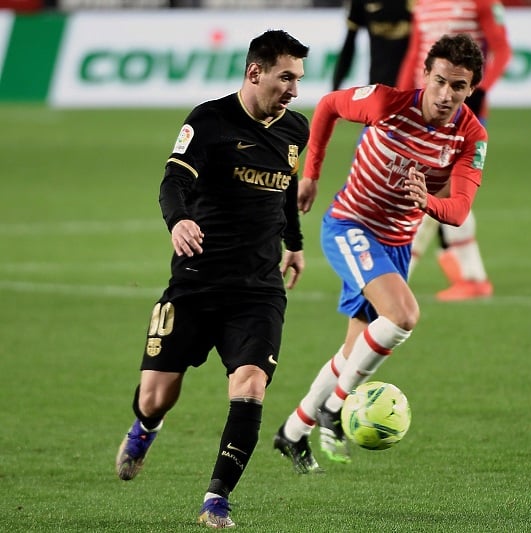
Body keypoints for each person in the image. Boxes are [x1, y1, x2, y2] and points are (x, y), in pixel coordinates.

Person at [114, 30, 310, 528]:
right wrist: (178, 219)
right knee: (156, 395)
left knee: (250, 385)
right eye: (285, 77)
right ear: (255, 72)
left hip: (259, 290)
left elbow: (285, 189)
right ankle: (145, 426)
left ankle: (215, 500)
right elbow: (173, 180)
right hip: (197, 282)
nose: (293, 89)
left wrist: (295, 242)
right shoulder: (210, 120)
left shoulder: (296, 130)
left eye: (299, 80)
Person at [272, 33, 487, 470]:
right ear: (425, 75)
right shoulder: (387, 103)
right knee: (403, 315)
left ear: (471, 90)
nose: (446, 95)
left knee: (354, 351)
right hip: (350, 223)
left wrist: (428, 202)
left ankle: (292, 432)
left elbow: (460, 210)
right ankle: (335, 408)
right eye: (441, 81)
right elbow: (330, 105)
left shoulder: (470, 137)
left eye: (459, 87)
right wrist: (310, 173)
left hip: (396, 244)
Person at [396, 0, 512, 302]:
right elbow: (415, 53)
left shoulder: (481, 2)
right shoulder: (422, 4)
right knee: (437, 187)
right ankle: (470, 277)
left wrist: (480, 91)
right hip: (423, 108)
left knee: (440, 186)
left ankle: (403, 273)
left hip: (460, 109)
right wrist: (400, 98)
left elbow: (502, 50)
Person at [332, 0, 412, 90]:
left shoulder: (420, 3)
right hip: (377, 85)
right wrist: (335, 87)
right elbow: (348, 47)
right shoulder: (362, 3)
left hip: (411, 87)